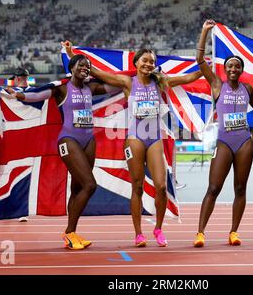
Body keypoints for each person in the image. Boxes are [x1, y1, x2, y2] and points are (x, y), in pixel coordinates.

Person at [62, 41, 203, 247]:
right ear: (136, 63)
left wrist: (207, 67)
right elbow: (97, 72)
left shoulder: (160, 82)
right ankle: (138, 234)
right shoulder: (128, 82)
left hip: (154, 139)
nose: (149, 64)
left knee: (161, 187)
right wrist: (70, 53)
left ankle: (158, 229)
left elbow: (189, 77)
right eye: (145, 61)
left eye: (152, 61)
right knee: (137, 187)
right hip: (135, 139)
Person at [6, 54, 110, 250]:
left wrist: (134, 77)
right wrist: (18, 95)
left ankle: (73, 233)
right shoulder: (61, 88)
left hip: (89, 140)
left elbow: (116, 85)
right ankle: (69, 232)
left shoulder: (91, 88)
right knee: (90, 185)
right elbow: (37, 95)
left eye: (88, 66)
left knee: (78, 188)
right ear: (71, 68)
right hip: (69, 140)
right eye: (81, 65)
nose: (85, 68)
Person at [193, 19, 253, 247]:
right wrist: (204, 33)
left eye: (236, 66)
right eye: (229, 66)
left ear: (241, 70)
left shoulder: (248, 89)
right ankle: (200, 232)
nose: (232, 69)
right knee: (213, 187)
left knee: (240, 188)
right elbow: (199, 60)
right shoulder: (217, 85)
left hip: (245, 142)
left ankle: (234, 232)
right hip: (224, 142)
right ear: (225, 69)